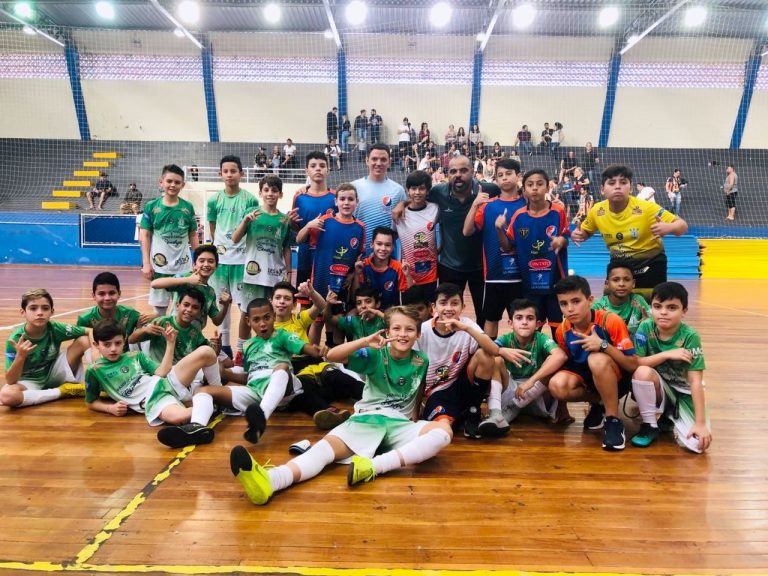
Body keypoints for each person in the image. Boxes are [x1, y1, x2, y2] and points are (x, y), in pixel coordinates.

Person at [229, 306, 453, 506]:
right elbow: (333, 355)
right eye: (397, 329)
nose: (402, 334)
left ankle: (372, 467)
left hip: (400, 426)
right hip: (367, 419)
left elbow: (418, 389)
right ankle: (270, 481)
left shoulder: (421, 360)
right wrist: (364, 341)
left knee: (443, 433)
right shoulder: (374, 354)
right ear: (388, 332)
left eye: (409, 330)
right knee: (322, 452)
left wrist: (414, 417)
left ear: (418, 334)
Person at [160, 297, 326, 449]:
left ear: (273, 317)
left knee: (282, 367)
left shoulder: (282, 336)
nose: (262, 323)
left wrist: (318, 351)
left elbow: (308, 349)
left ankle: (261, 419)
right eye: (256, 320)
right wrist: (226, 373)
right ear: (248, 321)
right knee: (202, 391)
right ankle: (197, 428)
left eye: (267, 318)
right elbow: (249, 375)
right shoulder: (248, 346)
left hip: (284, 388)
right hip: (255, 390)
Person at [395, 154, 500, 328]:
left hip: (481, 266)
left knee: (483, 314)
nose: (458, 175)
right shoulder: (438, 192)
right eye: (453, 171)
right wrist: (402, 203)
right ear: (447, 174)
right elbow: (418, 196)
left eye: (463, 170)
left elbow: (513, 196)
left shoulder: (489, 190)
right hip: (449, 266)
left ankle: (479, 352)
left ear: (473, 172)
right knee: (446, 314)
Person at [86, 319, 221, 444]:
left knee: (206, 351)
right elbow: (91, 402)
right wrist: (110, 408)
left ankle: (219, 393)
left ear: (124, 341)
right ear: (96, 344)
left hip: (166, 381)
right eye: (107, 344)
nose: (113, 348)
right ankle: (209, 407)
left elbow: (162, 372)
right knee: (180, 417)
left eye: (118, 343)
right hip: (154, 399)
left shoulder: (135, 356)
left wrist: (170, 342)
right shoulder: (94, 370)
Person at [548, 275, 638, 451]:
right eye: (563, 304)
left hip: (618, 380)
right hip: (590, 382)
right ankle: (599, 403)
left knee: (596, 359)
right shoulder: (563, 330)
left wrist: (603, 346)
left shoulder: (610, 321)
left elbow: (632, 365)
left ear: (590, 300)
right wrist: (562, 407)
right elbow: (565, 365)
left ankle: (613, 419)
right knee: (556, 385)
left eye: (576, 301)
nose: (570, 309)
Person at [571, 165, 688, 296]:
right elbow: (586, 232)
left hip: (651, 266)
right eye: (611, 183)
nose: (617, 186)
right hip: (619, 268)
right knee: (612, 311)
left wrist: (670, 227)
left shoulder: (646, 208)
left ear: (631, 188)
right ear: (602, 189)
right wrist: (580, 235)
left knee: (648, 313)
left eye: (623, 182)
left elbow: (682, 226)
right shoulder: (597, 211)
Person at [631, 282, 711, 452]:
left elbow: (696, 382)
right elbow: (636, 362)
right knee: (642, 372)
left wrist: (700, 423)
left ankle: (669, 418)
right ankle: (650, 425)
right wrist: (667, 354)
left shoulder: (690, 337)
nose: (663, 312)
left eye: (672, 307)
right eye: (657, 306)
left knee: (698, 445)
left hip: (683, 393)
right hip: (661, 388)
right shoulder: (646, 326)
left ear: (684, 311)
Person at [418, 283, 499, 438]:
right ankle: (459, 415)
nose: (449, 308)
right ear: (433, 307)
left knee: (485, 355)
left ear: (463, 306)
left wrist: (467, 329)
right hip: (436, 391)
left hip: (460, 384)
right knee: (443, 428)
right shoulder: (423, 331)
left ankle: (474, 412)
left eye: (454, 303)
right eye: (443, 303)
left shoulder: (467, 324)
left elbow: (493, 350)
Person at [496, 169, 569, 334]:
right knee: (533, 330)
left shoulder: (558, 211)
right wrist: (499, 229)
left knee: (558, 330)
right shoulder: (518, 216)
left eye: (539, 184)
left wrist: (561, 241)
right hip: (530, 284)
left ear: (547, 187)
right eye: (530, 185)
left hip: (555, 283)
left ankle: (561, 359)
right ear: (524, 189)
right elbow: (508, 247)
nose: (535, 188)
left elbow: (566, 238)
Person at [481, 298, 569, 435]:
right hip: (511, 392)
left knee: (553, 363)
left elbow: (561, 356)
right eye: (519, 318)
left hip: (536, 395)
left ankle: (513, 408)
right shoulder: (505, 339)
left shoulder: (541, 339)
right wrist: (501, 351)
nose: (524, 322)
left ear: (538, 323)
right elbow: (482, 353)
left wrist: (530, 382)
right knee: (495, 360)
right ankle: (496, 414)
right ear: (510, 323)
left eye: (530, 318)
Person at [463, 158, 526, 339]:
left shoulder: (527, 204)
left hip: (521, 278)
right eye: (500, 175)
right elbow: (467, 231)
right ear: (496, 180)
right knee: (491, 319)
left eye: (508, 174)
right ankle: (491, 360)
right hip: (493, 277)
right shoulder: (488, 206)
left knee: (522, 320)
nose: (504, 178)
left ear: (518, 176)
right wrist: (475, 204)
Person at [1, 289, 90, 408]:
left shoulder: (55, 328)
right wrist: (20, 356)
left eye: (45, 308)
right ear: (23, 312)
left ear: (52, 311)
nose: (39, 313)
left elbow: (90, 331)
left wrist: (97, 365)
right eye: (33, 308)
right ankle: (62, 392)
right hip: (29, 381)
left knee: (84, 340)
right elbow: (10, 381)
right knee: (7, 395)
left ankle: (98, 381)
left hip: (54, 372)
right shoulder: (15, 339)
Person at [207, 155, 258, 358]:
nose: (229, 174)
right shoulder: (214, 200)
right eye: (226, 171)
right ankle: (225, 345)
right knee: (223, 303)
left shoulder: (250, 199)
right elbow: (213, 227)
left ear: (241, 173)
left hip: (242, 260)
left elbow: (250, 228)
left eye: (233, 171)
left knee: (244, 305)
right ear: (221, 174)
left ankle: (242, 348)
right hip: (221, 262)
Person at [232, 175, 291, 341]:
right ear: (260, 193)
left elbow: (286, 248)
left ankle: (268, 349)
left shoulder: (284, 220)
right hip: (253, 274)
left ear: (280, 194)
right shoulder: (251, 214)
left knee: (272, 315)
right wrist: (245, 221)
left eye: (274, 190)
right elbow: (235, 239)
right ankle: (240, 352)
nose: (270, 193)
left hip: (275, 275)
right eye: (266, 190)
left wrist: (289, 272)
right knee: (247, 312)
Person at [140, 164, 199, 316]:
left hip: (184, 267)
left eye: (177, 182)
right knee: (159, 311)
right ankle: (159, 339)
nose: (173, 185)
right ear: (161, 182)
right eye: (169, 181)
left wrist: (197, 260)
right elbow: (145, 235)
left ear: (183, 185)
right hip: (160, 267)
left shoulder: (188, 207)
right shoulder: (151, 206)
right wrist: (146, 263)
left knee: (182, 310)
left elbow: (193, 235)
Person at [296, 183, 365, 311]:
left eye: (350, 199)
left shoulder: (360, 227)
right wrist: (308, 226)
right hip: (320, 279)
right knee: (317, 320)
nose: (346, 203)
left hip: (342, 283)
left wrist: (351, 275)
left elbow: (359, 255)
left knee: (336, 321)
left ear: (357, 202)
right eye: (342, 199)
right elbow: (299, 239)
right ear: (336, 201)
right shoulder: (325, 221)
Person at [151, 244, 230, 331]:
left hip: (193, 337)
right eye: (202, 261)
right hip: (173, 331)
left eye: (211, 261)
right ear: (194, 265)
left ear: (216, 266)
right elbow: (155, 284)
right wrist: (187, 280)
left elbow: (217, 321)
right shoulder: (185, 278)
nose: (206, 264)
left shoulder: (210, 292)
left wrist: (225, 306)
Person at [291, 152, 337, 293]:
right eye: (313, 166)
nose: (318, 169)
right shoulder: (300, 197)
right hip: (306, 257)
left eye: (322, 166)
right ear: (307, 171)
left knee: (328, 299)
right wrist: (291, 222)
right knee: (304, 299)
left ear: (328, 170)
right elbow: (296, 231)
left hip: (329, 256)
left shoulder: (336, 197)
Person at [129, 289, 212, 366]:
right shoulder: (161, 323)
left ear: (200, 312)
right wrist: (144, 330)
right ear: (177, 306)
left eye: (195, 307)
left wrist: (217, 345)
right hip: (158, 370)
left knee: (218, 368)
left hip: (180, 373)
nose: (189, 309)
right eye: (186, 305)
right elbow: (131, 340)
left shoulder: (195, 332)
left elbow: (210, 352)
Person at [351, 144, 406, 252]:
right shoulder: (354, 187)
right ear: (367, 160)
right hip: (357, 252)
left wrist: (405, 203)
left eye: (383, 159)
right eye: (374, 159)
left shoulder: (398, 190)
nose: (378, 163)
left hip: (385, 255)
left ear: (389, 162)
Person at [394, 170, 439, 303]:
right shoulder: (399, 214)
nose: (417, 192)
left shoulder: (435, 209)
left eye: (421, 189)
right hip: (408, 273)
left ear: (428, 191)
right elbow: (392, 236)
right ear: (408, 190)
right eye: (413, 188)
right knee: (409, 313)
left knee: (428, 312)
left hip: (430, 273)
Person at [77, 272, 150, 346]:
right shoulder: (85, 320)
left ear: (119, 294)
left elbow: (148, 328)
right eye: (102, 294)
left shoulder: (130, 314)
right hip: (98, 356)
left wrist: (139, 328)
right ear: (94, 296)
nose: (107, 298)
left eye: (112, 293)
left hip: (127, 356)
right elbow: (79, 346)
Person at [354, 226, 411, 310]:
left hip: (391, 314)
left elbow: (411, 297)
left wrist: (407, 275)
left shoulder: (399, 268)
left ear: (392, 247)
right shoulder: (363, 266)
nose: (383, 248)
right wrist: (357, 274)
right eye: (379, 244)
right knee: (350, 315)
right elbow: (355, 296)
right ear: (372, 244)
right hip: (368, 313)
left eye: (387, 245)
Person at [592, 262, 650, 337]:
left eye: (626, 279)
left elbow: (653, 324)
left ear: (633, 283)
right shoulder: (598, 307)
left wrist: (647, 323)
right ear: (607, 284)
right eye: (616, 280)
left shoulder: (638, 301)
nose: (621, 284)